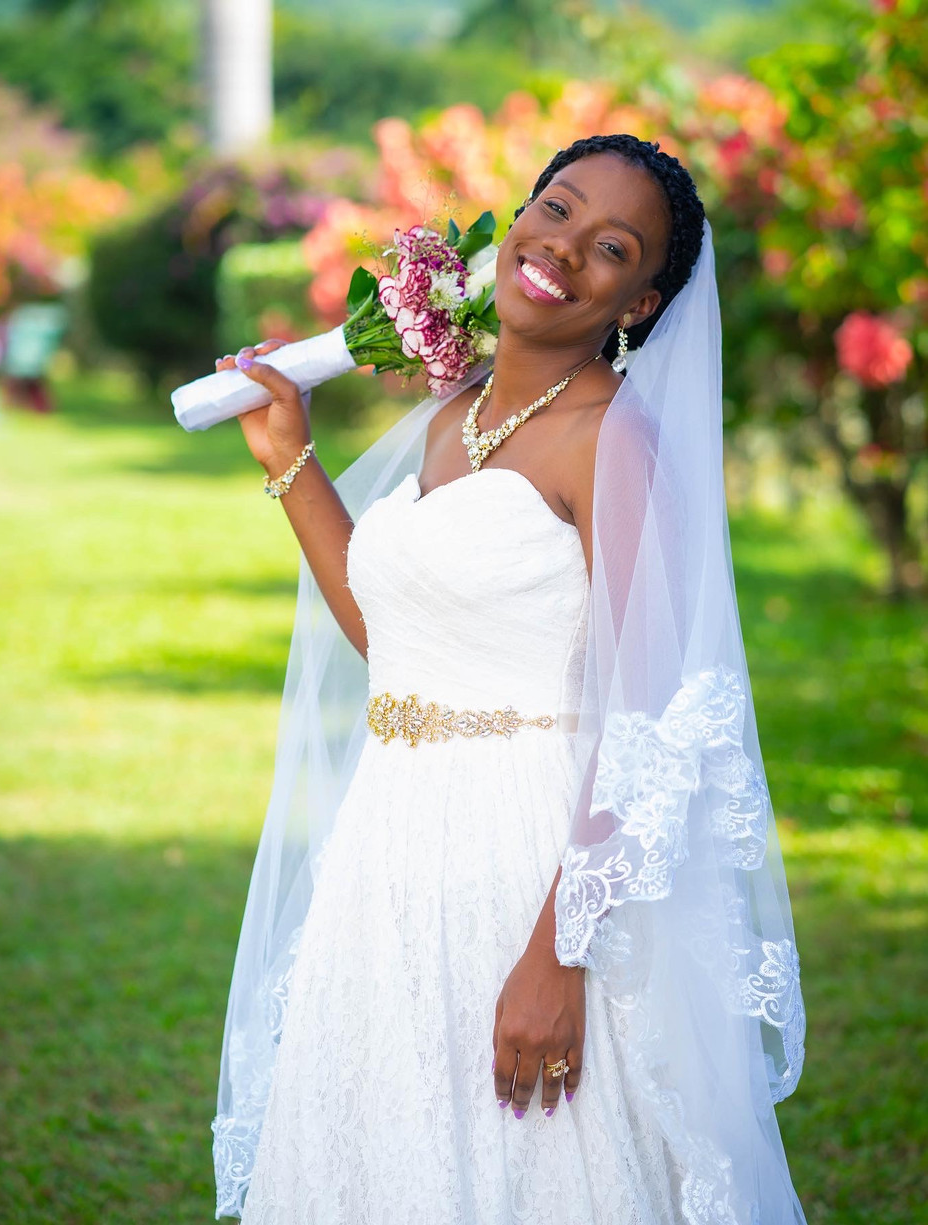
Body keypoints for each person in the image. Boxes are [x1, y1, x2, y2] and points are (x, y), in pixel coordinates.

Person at [210, 135, 807, 1224]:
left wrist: (556, 956)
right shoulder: (452, 418)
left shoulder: (611, 441)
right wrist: (288, 457)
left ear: (639, 303)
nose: (562, 249)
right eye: (555, 210)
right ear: (516, 216)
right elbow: (398, 642)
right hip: (386, 849)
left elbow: (651, 725)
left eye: (610, 248)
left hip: (523, 862)